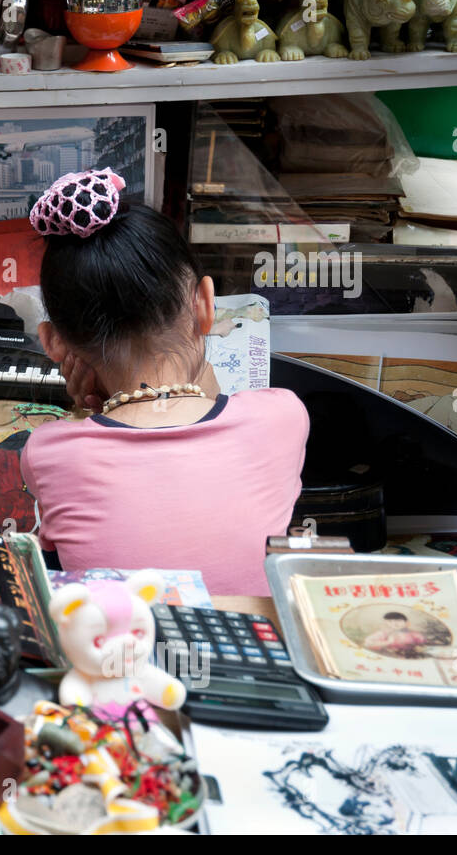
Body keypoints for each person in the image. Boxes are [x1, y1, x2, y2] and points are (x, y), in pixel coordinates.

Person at [20, 169, 309, 596]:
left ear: (53, 343)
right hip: (253, 655)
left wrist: (94, 410)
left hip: (120, 656)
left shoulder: (48, 453)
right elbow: (186, 445)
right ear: (207, 306)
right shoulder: (282, 416)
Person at [363, 611, 430, 657]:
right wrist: (388, 642)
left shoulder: (414, 634)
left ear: (406, 623)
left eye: (398, 621)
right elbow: (367, 643)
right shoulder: (383, 633)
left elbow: (424, 645)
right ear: (385, 623)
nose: (394, 624)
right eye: (390, 621)